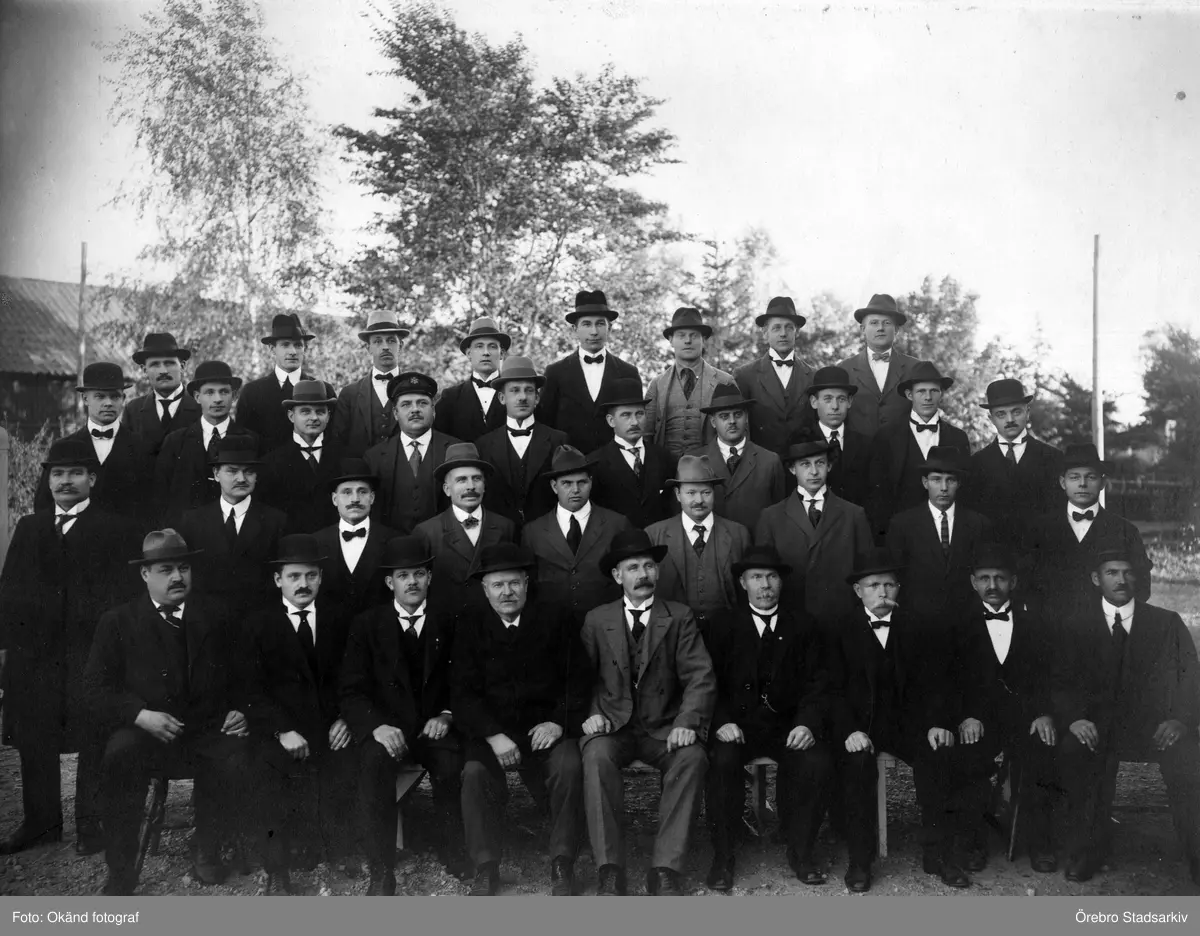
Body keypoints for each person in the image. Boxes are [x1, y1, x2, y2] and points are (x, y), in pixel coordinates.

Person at [84, 529, 255, 895]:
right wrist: (140, 714)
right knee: (119, 755)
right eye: (166, 569)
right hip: (147, 734)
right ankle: (121, 867)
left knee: (235, 754)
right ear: (145, 574)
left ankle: (207, 846)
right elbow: (95, 689)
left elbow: (246, 675)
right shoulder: (118, 621)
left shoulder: (217, 616)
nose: (178, 577)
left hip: (206, 729)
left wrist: (241, 710)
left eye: (183, 568)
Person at [0, 439, 141, 856]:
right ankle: (41, 823)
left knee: (94, 733)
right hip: (36, 655)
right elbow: (9, 592)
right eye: (57, 474)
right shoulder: (30, 527)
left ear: (92, 479)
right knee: (35, 735)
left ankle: (90, 824)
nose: (65, 481)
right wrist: (8, 649)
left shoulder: (116, 529)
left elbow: (124, 595)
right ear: (48, 481)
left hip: (90, 652)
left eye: (75, 473)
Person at [830, 549, 994, 892]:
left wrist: (936, 722)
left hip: (910, 724)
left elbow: (938, 682)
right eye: (873, 585)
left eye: (889, 585)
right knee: (856, 765)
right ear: (858, 591)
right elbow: (831, 688)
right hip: (862, 726)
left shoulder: (920, 626)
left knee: (939, 754)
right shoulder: (839, 628)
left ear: (899, 588)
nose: (882, 592)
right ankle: (860, 860)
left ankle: (939, 854)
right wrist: (850, 730)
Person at [1052, 545, 1200, 886]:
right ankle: (1085, 851)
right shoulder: (1075, 625)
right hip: (1096, 727)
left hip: (1154, 728)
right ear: (1096, 579)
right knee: (1075, 751)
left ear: (1138, 578)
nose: (1121, 580)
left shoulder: (1166, 623)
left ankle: (1196, 853)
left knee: (1187, 758)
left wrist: (1180, 719)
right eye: (1111, 572)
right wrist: (1074, 718)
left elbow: (1189, 678)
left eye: (1128, 572)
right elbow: (1060, 680)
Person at [579, 529, 716, 895]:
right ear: (617, 575)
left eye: (649, 566)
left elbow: (700, 676)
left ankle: (666, 868)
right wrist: (592, 713)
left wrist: (687, 722)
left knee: (691, 757)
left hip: (664, 727)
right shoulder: (597, 619)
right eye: (633, 568)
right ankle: (610, 868)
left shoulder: (679, 616)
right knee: (595, 756)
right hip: (614, 726)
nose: (643, 574)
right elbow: (581, 678)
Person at [452, 544, 588, 896]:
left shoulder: (556, 619)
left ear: (527, 584)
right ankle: (485, 866)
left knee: (569, 766)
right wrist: (493, 735)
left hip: (545, 730)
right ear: (485, 589)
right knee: (474, 774)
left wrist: (557, 722)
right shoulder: (469, 624)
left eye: (514, 583)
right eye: (497, 585)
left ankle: (563, 861)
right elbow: (462, 694)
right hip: (493, 733)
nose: (507, 592)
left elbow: (578, 680)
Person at [339, 536, 468, 894]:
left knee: (451, 765)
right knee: (372, 766)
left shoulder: (451, 620)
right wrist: (376, 726)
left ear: (429, 578)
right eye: (403, 576)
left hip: (433, 728)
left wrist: (447, 715)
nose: (412, 582)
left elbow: (465, 680)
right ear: (389, 582)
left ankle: (452, 849)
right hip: (387, 729)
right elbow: (351, 690)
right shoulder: (367, 624)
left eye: (419, 574)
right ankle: (381, 868)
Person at [703, 546, 834, 891]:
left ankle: (801, 850)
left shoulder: (803, 624)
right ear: (743, 583)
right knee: (721, 762)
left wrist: (806, 723)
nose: (765, 585)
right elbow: (706, 681)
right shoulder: (722, 624)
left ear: (781, 582)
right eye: (757, 577)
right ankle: (723, 855)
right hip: (737, 727)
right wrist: (721, 721)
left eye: (772, 577)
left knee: (816, 761)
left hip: (787, 725)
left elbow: (819, 682)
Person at [244, 534, 355, 894]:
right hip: (281, 730)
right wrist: (281, 730)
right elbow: (250, 689)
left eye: (310, 575)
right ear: (278, 580)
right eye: (293, 576)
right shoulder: (258, 624)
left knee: (353, 761)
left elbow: (356, 677)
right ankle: (277, 867)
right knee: (267, 769)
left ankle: (339, 847)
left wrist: (346, 718)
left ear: (321, 578)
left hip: (330, 726)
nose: (302, 584)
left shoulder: (341, 619)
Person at [963, 544, 1060, 873]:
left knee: (1043, 750)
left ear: (1014, 582)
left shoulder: (1036, 623)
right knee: (969, 755)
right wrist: (966, 716)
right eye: (984, 578)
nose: (992, 585)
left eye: (1000, 578)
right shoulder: (958, 624)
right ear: (973, 582)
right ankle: (973, 841)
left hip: (1024, 718)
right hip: (979, 719)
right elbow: (949, 678)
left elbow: (1049, 675)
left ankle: (1040, 841)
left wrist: (1044, 712)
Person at [1020, 443, 1151, 618]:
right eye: (1074, 477)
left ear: (1102, 482)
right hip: (1051, 629)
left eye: (1090, 477)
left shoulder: (1125, 531)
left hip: (1105, 629)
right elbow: (1025, 584)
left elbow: (1142, 587)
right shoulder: (1039, 530)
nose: (1082, 484)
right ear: (1062, 482)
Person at [754, 438, 872, 627]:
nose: (814, 471)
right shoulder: (771, 517)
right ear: (792, 469)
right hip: (792, 619)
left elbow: (866, 572)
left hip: (841, 618)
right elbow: (764, 573)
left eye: (820, 463)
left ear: (829, 466)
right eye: (805, 464)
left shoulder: (854, 514)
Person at [177, 436, 287, 618]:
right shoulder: (192, 521)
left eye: (249, 472)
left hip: (260, 622)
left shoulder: (276, 521)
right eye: (232, 471)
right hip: (207, 622)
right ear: (216, 474)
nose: (241, 479)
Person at [520, 445, 632, 622]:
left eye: (582, 482)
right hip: (552, 625)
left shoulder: (617, 524)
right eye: (567, 483)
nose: (575, 490)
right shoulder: (533, 531)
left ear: (591, 482)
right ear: (554, 486)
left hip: (605, 624)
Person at [885, 446, 994, 626]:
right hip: (918, 623)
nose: (944, 488)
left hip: (967, 622)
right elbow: (896, 578)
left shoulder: (979, 524)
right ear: (925, 482)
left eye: (950, 480)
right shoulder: (902, 524)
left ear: (959, 483)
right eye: (936, 480)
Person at [34, 362, 153, 526]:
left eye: (115, 396)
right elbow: (43, 504)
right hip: (75, 540)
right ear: (85, 399)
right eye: (100, 396)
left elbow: (151, 506)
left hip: (126, 539)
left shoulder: (141, 447)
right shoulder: (63, 447)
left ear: (123, 399)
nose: (108, 403)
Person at [645, 455, 752, 635]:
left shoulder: (738, 534)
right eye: (691, 493)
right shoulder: (654, 535)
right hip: (672, 632)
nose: (699, 500)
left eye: (706, 492)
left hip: (728, 633)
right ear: (678, 495)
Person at [866, 361, 971, 543]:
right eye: (921, 391)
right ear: (909, 395)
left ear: (941, 394)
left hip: (944, 533)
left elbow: (964, 491)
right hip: (899, 534)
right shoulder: (886, 436)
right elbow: (877, 493)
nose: (928, 397)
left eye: (933, 391)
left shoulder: (958, 438)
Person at [414, 443, 516, 619]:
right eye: (461, 480)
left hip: (494, 621)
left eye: (476, 479)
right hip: (448, 622)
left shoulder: (505, 527)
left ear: (484, 485)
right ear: (447, 489)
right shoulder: (427, 532)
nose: (471, 487)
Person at [156, 360, 259, 526]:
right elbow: (161, 496)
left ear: (234, 396)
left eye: (224, 392)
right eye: (209, 392)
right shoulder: (176, 442)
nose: (217, 399)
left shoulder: (251, 440)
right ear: (197, 397)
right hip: (186, 533)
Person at [964, 378, 1064, 549]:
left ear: (1027, 412)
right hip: (994, 558)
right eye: (1001, 414)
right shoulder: (976, 463)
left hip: (1042, 556)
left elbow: (1060, 515)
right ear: (991, 418)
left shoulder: (1053, 458)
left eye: (1016, 412)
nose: (1009, 419)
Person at [538, 290, 640, 454]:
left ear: (609, 328)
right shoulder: (555, 372)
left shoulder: (628, 372)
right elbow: (545, 424)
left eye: (600, 324)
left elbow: (635, 425)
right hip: (569, 465)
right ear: (575, 329)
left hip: (615, 464)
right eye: (586, 324)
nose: (594, 331)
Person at [475, 356, 570, 530]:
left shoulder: (558, 440)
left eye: (529, 390)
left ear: (537, 398)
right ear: (502, 398)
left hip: (547, 534)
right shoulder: (483, 445)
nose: (522, 397)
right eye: (514, 390)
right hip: (500, 536)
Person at [362, 372, 460, 535]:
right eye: (406, 404)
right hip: (393, 545)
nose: (415, 409)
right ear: (395, 413)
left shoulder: (454, 449)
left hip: (444, 542)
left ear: (433, 410)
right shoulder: (374, 457)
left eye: (422, 403)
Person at [642, 307, 736, 458]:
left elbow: (739, 434)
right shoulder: (657, 385)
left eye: (694, 335)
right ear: (671, 340)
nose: (687, 341)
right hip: (665, 469)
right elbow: (646, 435)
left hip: (712, 468)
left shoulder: (725, 381)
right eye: (681, 335)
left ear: (703, 340)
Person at [257, 380, 348, 534]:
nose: (314, 417)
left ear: (328, 416)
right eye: (305, 412)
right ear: (291, 416)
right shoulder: (271, 463)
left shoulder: (344, 456)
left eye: (320, 412)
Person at [236, 314, 336, 454]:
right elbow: (244, 440)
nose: (293, 352)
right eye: (285, 345)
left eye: (298, 345)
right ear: (272, 349)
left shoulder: (324, 390)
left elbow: (333, 438)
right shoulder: (252, 392)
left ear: (305, 348)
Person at [312, 460, 399, 619]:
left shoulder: (394, 540)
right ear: (334, 499)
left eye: (362, 492)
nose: (355, 499)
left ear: (372, 498)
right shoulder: (316, 542)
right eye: (347, 492)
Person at [695, 382, 787, 531]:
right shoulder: (696, 460)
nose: (732, 421)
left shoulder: (769, 461)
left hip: (756, 543)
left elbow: (779, 516)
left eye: (737, 414)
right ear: (713, 422)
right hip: (712, 543)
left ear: (747, 418)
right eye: (724, 416)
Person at [588, 378, 678, 529]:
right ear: (611, 421)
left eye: (639, 414)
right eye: (626, 415)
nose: (635, 422)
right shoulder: (595, 462)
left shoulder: (664, 458)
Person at [733, 296, 817, 454]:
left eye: (789, 328)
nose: (783, 333)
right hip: (761, 463)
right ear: (765, 333)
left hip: (802, 463)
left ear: (797, 332)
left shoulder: (813, 376)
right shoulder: (745, 376)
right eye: (776, 328)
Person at [836, 294, 919, 439]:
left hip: (903, 450)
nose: (880, 328)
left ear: (896, 329)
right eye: (874, 323)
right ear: (863, 329)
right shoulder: (844, 369)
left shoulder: (915, 368)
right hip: (859, 451)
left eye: (887, 323)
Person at [333, 310, 411, 457]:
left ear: (400, 345)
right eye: (377, 341)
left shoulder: (415, 390)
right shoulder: (350, 394)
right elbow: (339, 444)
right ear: (368, 348)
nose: (385, 347)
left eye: (391, 340)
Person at [121, 332, 202, 458]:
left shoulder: (201, 407)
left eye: (169, 363)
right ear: (144, 370)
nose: (163, 371)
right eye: (155, 364)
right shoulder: (133, 410)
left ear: (182, 366)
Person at [432, 317, 509, 443]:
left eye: (492, 346)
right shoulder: (450, 398)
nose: (486, 352)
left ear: (502, 353)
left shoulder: (515, 393)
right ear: (469, 354)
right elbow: (439, 441)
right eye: (479, 346)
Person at [804, 365, 870, 506]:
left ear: (850, 402)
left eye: (841, 399)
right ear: (814, 402)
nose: (835, 406)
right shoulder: (802, 442)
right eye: (828, 399)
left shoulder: (866, 444)